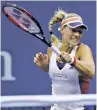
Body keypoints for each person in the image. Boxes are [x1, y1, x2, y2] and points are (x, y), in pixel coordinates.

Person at [33, 9, 95, 110]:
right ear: (62, 29)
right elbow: (59, 74)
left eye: (80, 32)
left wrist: (72, 60)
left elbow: (91, 72)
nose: (77, 34)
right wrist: (45, 66)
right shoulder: (52, 49)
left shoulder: (82, 49)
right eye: (73, 30)